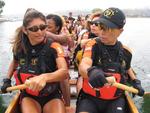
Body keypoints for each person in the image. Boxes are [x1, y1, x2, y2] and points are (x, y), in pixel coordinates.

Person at [76, 7, 145, 113]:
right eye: (101, 27)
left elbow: (127, 68)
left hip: (115, 100)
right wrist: (91, 71)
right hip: (90, 99)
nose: (103, 32)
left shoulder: (126, 52)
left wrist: (136, 82)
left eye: (109, 29)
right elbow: (84, 65)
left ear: (120, 31)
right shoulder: (92, 44)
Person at [1, 8, 68, 113]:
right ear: (25, 30)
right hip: (29, 96)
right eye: (34, 29)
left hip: (51, 95)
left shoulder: (54, 46)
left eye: (43, 27)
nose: (40, 32)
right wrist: (7, 80)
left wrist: (44, 77)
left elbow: (64, 72)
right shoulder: (19, 48)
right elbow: (14, 62)